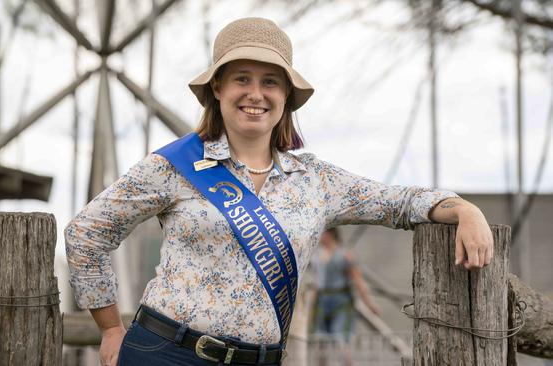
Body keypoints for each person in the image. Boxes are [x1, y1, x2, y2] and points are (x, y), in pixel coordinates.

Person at [65, 17, 494, 366]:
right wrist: (110, 329)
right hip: (166, 354)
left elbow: (397, 202)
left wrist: (462, 209)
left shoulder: (315, 181)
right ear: (218, 89)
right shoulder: (174, 165)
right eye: (242, 79)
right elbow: (86, 232)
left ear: (287, 95)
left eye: (270, 82)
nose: (256, 94)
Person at [310, 227, 379, 366]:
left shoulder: (345, 255)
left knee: (341, 340)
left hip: (341, 300)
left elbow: (358, 281)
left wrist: (370, 304)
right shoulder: (316, 255)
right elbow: (316, 282)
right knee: (320, 341)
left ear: (330, 234)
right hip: (322, 301)